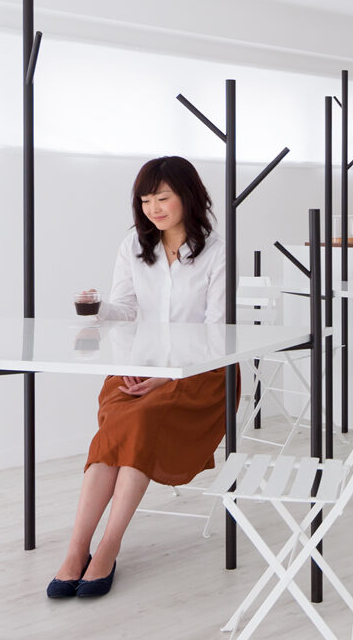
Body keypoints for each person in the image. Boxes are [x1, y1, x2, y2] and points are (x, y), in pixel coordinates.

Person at [49, 155, 234, 599]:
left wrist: (169, 378)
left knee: (138, 421)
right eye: (146, 200)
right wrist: (98, 309)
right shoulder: (133, 245)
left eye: (163, 198)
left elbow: (217, 332)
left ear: (188, 196)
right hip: (139, 365)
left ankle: (108, 547)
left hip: (199, 372)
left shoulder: (216, 251)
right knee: (118, 424)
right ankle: (76, 549)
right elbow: (127, 310)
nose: (154, 208)